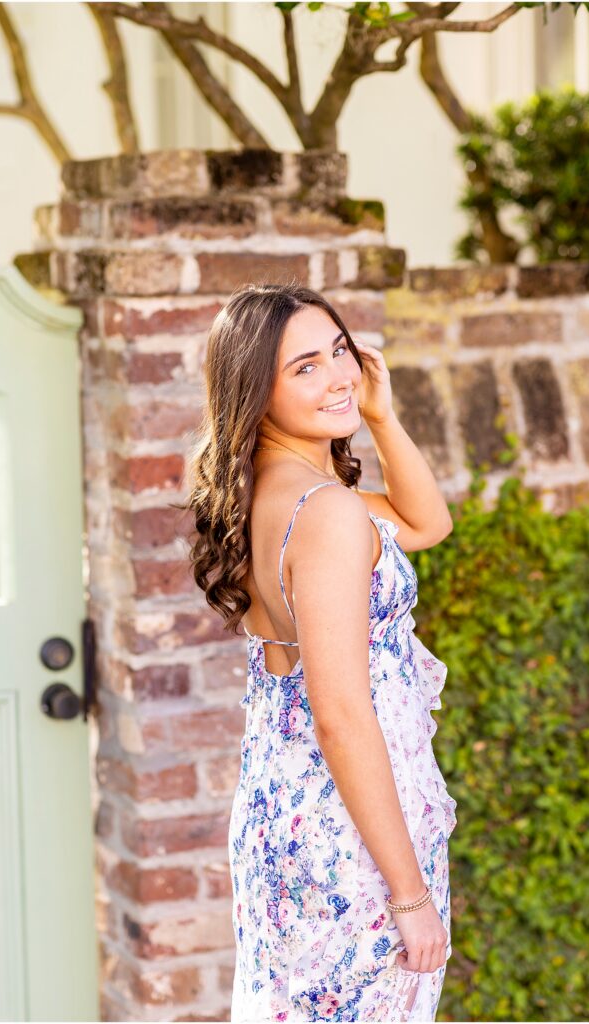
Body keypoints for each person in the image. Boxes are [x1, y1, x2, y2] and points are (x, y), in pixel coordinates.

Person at [183, 282, 458, 1022]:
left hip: (285, 815)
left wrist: (380, 413)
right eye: (304, 366)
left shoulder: (273, 492)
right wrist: (410, 896)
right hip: (350, 840)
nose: (338, 374)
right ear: (254, 389)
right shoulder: (328, 512)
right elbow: (339, 712)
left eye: (339, 351)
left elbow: (426, 523)